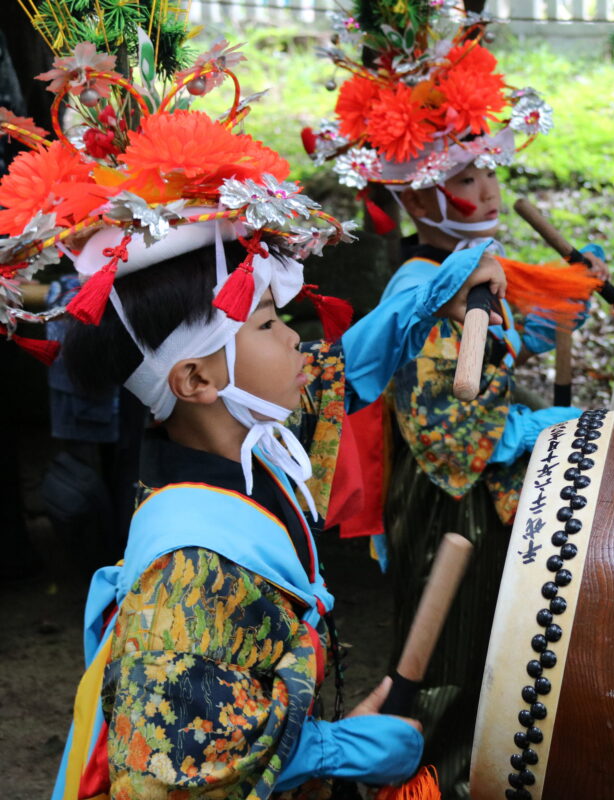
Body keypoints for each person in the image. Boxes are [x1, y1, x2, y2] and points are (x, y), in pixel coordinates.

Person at [0, 28, 503, 800]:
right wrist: (326, 752)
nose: (295, 339)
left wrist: (448, 284)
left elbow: (351, 368)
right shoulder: (190, 572)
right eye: (268, 324)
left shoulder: (247, 446)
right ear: (199, 378)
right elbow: (177, 770)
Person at [309, 6, 611, 795]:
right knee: (451, 663)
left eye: (486, 171)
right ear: (416, 199)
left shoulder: (473, 268)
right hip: (451, 504)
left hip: (476, 488)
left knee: (495, 658)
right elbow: (455, 435)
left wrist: (555, 314)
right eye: (461, 177)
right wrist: (559, 427)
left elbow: (506, 349)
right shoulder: (427, 288)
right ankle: (428, 780)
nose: (485, 190)